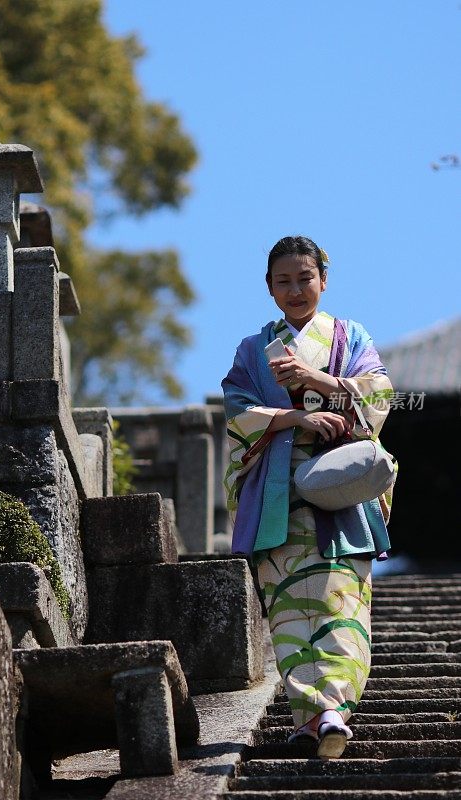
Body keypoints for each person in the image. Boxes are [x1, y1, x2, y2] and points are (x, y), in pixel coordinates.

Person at [221, 235, 395, 760]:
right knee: (289, 610)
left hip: (338, 492)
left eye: (305, 278)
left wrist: (316, 378)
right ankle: (310, 716)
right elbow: (237, 411)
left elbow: (382, 397)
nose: (296, 289)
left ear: (323, 279)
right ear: (269, 289)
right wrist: (298, 416)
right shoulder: (252, 351)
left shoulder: (351, 336)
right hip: (278, 497)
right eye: (284, 281)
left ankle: (333, 709)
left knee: (340, 600)